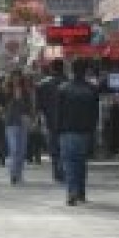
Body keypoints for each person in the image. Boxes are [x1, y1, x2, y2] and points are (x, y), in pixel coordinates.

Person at [55, 58, 99, 206]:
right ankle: (80, 192)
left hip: (67, 131)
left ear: (72, 70)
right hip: (85, 131)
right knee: (81, 162)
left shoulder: (63, 88)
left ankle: (71, 192)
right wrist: (93, 132)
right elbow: (95, 115)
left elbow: (58, 113)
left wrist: (57, 131)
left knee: (69, 163)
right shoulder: (92, 90)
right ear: (86, 71)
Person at [35, 58, 67, 182]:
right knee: (64, 146)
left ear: (52, 68)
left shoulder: (43, 84)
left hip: (50, 120)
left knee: (54, 147)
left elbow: (39, 106)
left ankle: (57, 171)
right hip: (66, 121)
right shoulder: (68, 82)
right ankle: (63, 169)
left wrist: (39, 119)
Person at [3, 69, 33, 184]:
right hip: (10, 122)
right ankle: (13, 174)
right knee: (13, 149)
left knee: (22, 150)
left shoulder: (25, 91)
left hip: (22, 122)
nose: (16, 79)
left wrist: (30, 117)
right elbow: (4, 106)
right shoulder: (7, 91)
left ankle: (19, 173)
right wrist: (14, 98)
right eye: (14, 76)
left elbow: (29, 106)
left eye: (18, 76)